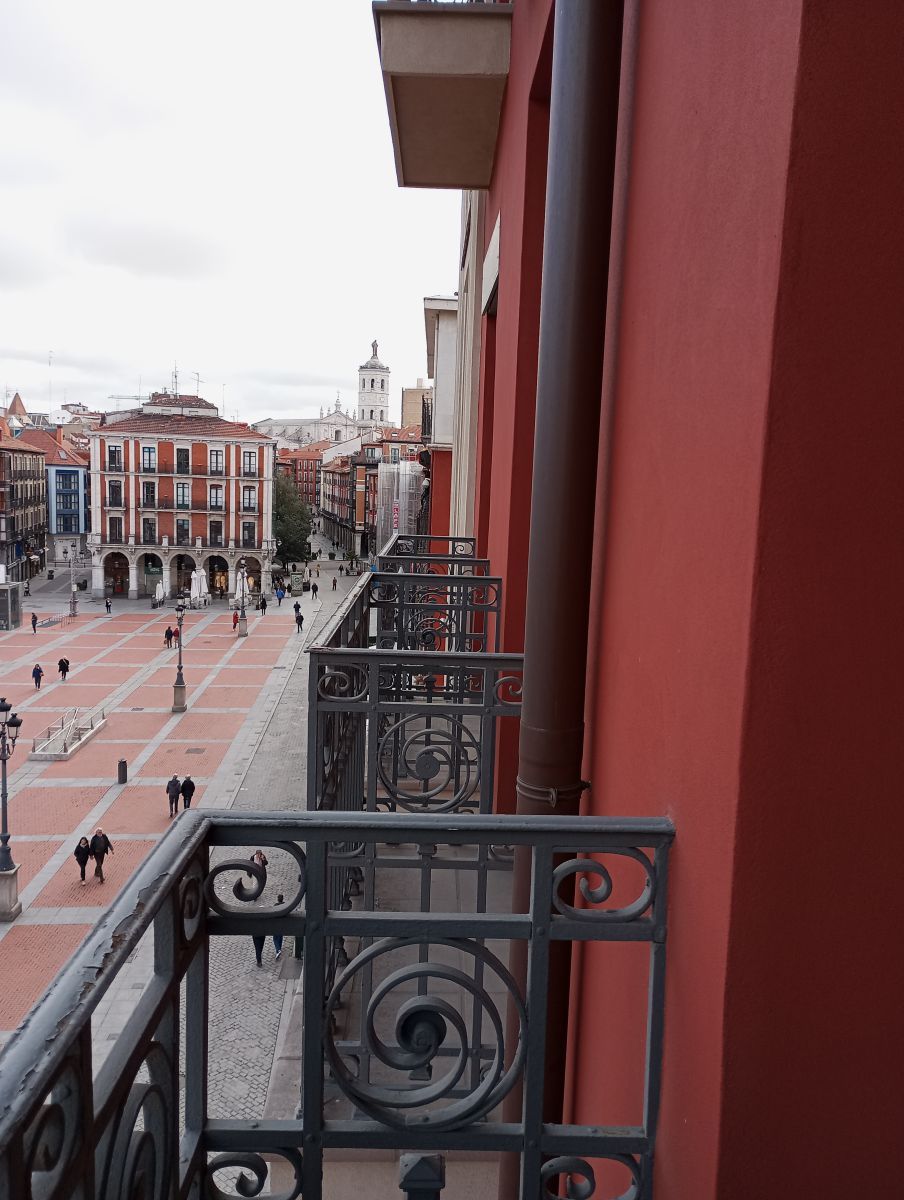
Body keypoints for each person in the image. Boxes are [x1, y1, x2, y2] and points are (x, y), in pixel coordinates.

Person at [273, 894, 285, 961]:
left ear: (278, 899)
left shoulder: (275, 906)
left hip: (276, 924)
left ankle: (278, 950)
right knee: (280, 937)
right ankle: (279, 949)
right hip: (282, 924)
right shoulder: (285, 905)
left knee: (275, 938)